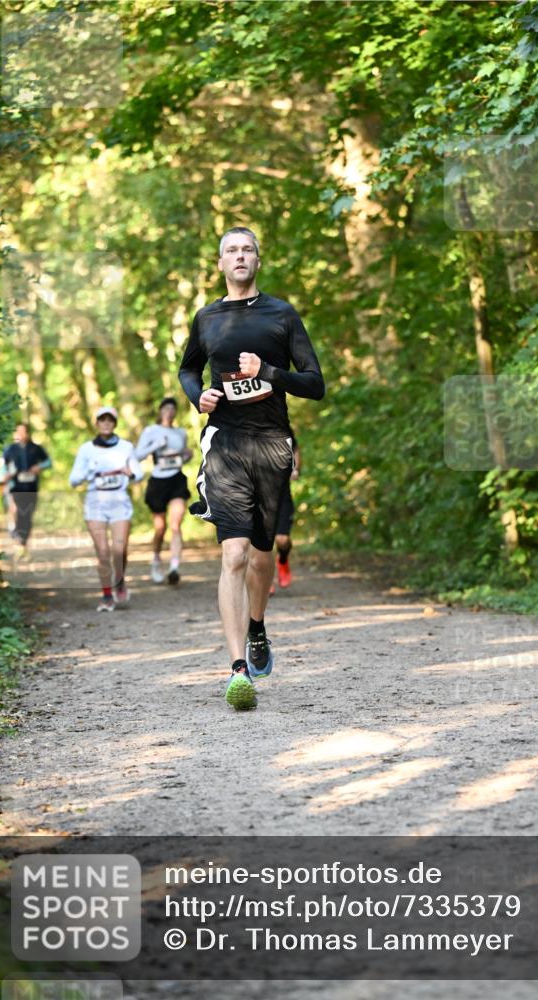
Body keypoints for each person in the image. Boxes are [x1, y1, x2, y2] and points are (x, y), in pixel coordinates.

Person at [179, 225, 324, 710]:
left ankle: (257, 626)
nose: (239, 257)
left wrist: (269, 373)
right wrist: (196, 394)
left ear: (257, 261)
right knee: (234, 554)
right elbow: (187, 369)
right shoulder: (207, 318)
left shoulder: (281, 314)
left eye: (247, 250)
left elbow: (314, 384)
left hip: (272, 445)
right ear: (220, 264)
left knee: (262, 556)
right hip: (224, 442)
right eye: (231, 251)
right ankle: (237, 668)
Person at [69, 406, 143, 612]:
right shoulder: (86, 449)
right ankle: (107, 595)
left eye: (110, 420)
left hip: (119, 500)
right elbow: (73, 480)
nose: (106, 423)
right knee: (103, 552)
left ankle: (119, 580)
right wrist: (90, 472)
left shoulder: (126, 447)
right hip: (95, 502)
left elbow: (139, 474)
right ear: (97, 423)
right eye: (102, 419)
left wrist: (129, 473)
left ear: (115, 423)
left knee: (119, 550)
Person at [136, 398, 192, 585]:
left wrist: (186, 456)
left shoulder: (181, 432)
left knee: (176, 524)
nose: (169, 411)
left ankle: (174, 567)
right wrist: (155, 445)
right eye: (166, 407)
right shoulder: (151, 431)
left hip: (177, 479)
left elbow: (181, 457)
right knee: (160, 528)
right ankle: (156, 560)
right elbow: (137, 456)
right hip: (158, 481)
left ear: (175, 412)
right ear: (160, 411)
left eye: (173, 408)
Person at [0, 423, 52, 550]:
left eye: (24, 432)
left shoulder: (36, 448)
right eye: (18, 432)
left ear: (28, 433)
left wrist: (39, 467)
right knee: (17, 511)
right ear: (14, 434)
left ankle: (24, 539)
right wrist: (5, 475)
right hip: (15, 487)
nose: (21, 434)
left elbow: (48, 462)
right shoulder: (9, 449)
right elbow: (2, 467)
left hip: (31, 487)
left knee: (28, 514)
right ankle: (17, 534)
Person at [271, 430, 301, 593]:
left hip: (282, 496)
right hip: (257, 497)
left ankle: (283, 559)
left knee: (282, 540)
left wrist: (295, 468)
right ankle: (265, 579)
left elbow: (295, 449)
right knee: (262, 543)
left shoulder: (283, 429)